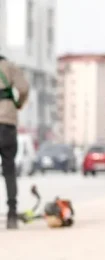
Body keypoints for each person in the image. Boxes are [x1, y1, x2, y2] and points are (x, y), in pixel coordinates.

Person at [0, 53, 30, 230]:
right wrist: (18, 104)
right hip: (7, 124)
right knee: (9, 169)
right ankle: (12, 215)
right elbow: (24, 88)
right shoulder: (10, 67)